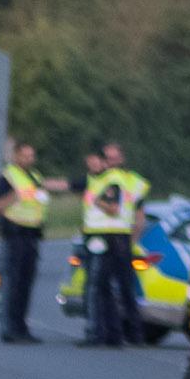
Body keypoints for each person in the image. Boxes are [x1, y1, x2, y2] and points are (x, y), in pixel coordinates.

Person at [76, 145, 148, 347]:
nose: (112, 161)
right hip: (106, 236)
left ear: (122, 158)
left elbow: (139, 215)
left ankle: (132, 334)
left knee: (122, 288)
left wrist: (133, 240)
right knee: (105, 287)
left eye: (115, 157)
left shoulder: (131, 181)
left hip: (121, 238)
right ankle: (115, 333)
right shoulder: (102, 179)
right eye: (108, 157)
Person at [0, 140, 54, 343]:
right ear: (16, 156)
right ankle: (9, 329)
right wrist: (14, 197)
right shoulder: (6, 177)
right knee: (11, 284)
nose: (28, 159)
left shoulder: (35, 177)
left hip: (31, 236)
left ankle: (22, 328)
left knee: (26, 284)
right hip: (13, 236)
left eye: (31, 156)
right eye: (25, 155)